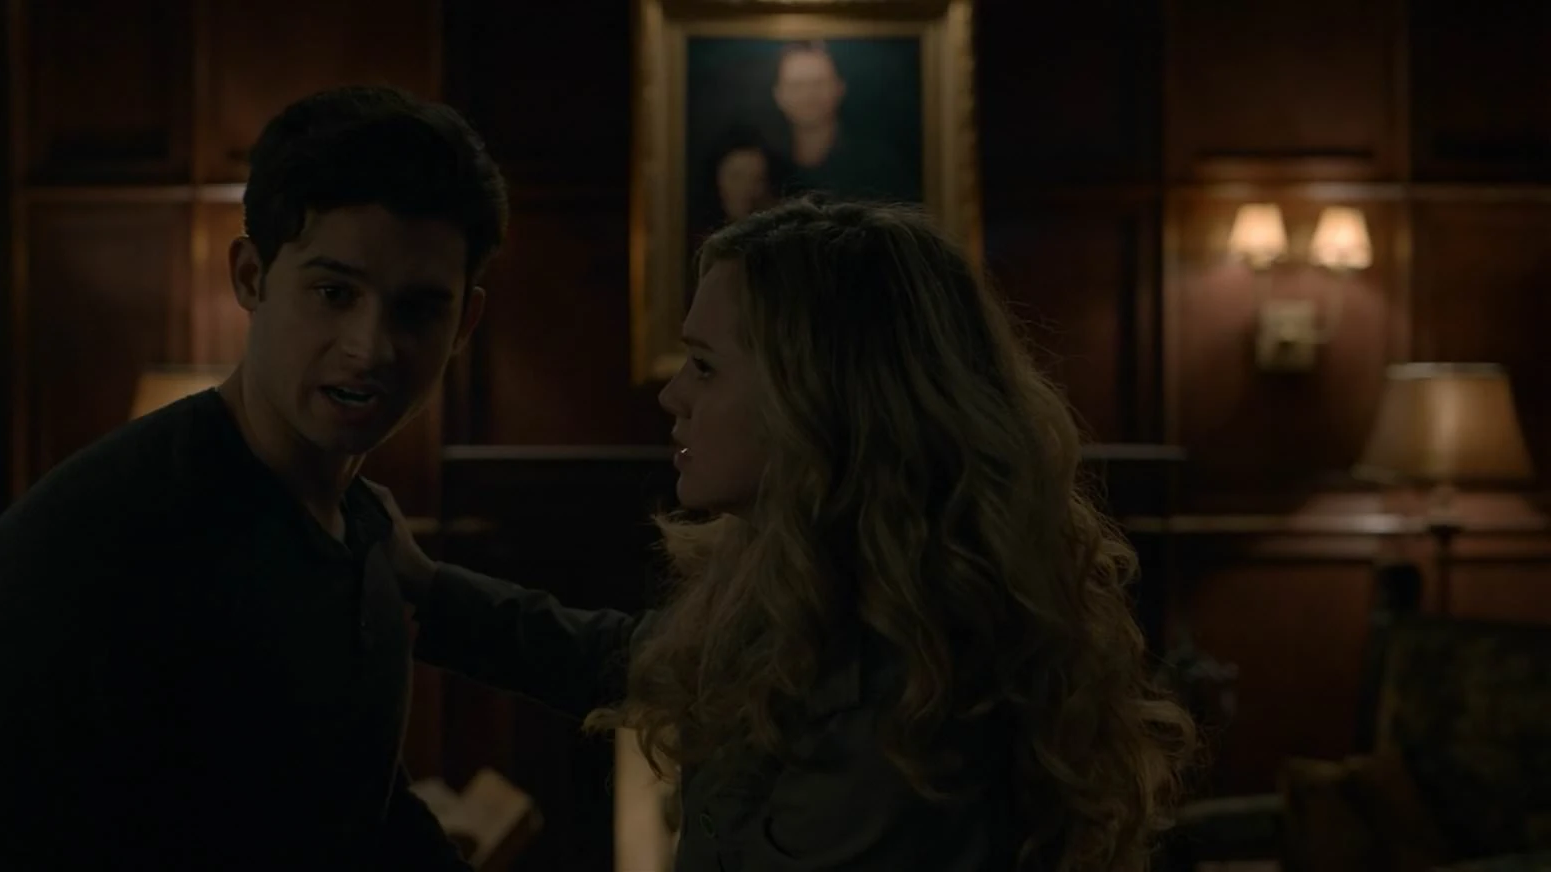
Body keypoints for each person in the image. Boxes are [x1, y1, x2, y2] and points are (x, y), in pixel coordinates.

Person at [374, 197, 1197, 871]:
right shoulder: (830, 580)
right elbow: (632, 657)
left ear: (820, 398)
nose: (672, 397)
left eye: (705, 365)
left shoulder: (904, 681)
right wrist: (429, 591)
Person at [0, 85, 505, 870]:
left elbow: (356, 811)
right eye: (333, 293)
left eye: (416, 310)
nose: (369, 347)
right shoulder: (83, 543)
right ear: (251, 277)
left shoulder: (363, 532)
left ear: (464, 324)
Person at [770, 40, 921, 203]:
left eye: (819, 83)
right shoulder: (764, 168)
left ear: (839, 88)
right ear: (778, 95)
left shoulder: (880, 166)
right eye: (796, 86)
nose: (808, 96)